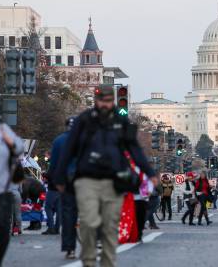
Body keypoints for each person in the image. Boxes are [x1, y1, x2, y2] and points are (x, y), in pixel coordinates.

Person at [54, 85, 156, 267]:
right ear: (96, 100)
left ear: (113, 101)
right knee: (88, 221)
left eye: (109, 101)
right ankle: (89, 261)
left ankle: (108, 263)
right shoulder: (83, 120)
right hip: (87, 179)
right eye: (101, 100)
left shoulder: (122, 121)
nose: (105, 104)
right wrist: (60, 176)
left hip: (114, 180)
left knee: (110, 226)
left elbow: (134, 149)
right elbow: (69, 149)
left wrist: (149, 172)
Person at [0, 94, 24, 267]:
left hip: (1, 191)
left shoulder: (1, 129)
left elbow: (19, 147)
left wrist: (11, 144)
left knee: (2, 232)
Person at [47, 117, 77, 259]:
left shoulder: (58, 140)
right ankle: (94, 240)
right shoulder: (84, 139)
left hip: (66, 180)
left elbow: (53, 164)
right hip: (84, 179)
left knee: (68, 213)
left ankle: (69, 247)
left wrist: (55, 181)